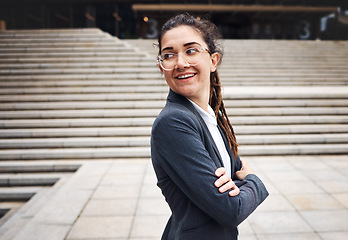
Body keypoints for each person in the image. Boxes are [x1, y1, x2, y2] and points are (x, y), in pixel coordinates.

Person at [151, 13, 268, 240]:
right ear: (161, 66)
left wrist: (234, 185)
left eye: (191, 50)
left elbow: (234, 175)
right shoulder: (173, 123)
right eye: (169, 55)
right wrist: (254, 181)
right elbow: (230, 208)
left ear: (213, 61)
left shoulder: (210, 116)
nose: (181, 63)